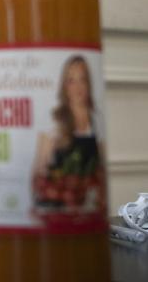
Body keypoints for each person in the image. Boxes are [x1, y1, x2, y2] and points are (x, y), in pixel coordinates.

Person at [33, 56, 105, 213]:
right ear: (64, 86)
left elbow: (101, 170)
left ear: (89, 83)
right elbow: (38, 173)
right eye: (71, 81)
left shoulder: (96, 119)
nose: (78, 87)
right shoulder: (53, 119)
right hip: (57, 208)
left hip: (87, 208)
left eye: (82, 79)